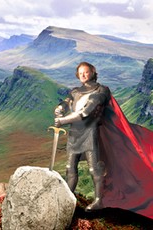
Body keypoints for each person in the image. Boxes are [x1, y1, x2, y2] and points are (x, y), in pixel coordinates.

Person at [54, 62, 110, 211]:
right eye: (80, 73)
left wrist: (63, 120)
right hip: (74, 133)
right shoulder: (75, 91)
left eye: (86, 72)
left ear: (93, 72)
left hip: (90, 132)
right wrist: (60, 109)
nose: (83, 75)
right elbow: (66, 102)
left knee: (94, 168)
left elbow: (86, 112)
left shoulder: (101, 90)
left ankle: (99, 201)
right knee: (70, 167)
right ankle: (67, 197)